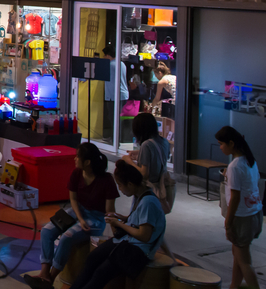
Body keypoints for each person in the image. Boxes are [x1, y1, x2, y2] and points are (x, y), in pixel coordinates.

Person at [68, 160, 167, 289]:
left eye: (120, 185)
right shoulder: (141, 195)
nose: (120, 189)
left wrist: (119, 224)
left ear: (130, 184)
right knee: (92, 258)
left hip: (137, 250)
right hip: (127, 241)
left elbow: (144, 235)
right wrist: (122, 217)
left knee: (100, 273)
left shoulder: (148, 202)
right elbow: (141, 221)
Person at [34, 143, 119, 287]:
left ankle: (51, 278)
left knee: (67, 237)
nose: (75, 159)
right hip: (77, 211)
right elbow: (73, 199)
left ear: (87, 162)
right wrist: (79, 218)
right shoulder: (77, 173)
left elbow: (109, 211)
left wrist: (116, 232)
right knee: (47, 231)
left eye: (77, 156)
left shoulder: (106, 180)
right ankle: (44, 272)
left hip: (96, 218)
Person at [216, 126, 263, 289]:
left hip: (242, 217)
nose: (220, 147)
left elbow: (235, 198)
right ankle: (233, 286)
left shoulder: (234, 166)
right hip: (255, 213)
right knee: (237, 254)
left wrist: (228, 222)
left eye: (221, 144)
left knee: (244, 261)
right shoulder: (250, 161)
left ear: (231, 143)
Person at [125, 112, 172, 185]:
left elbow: (144, 174)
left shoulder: (146, 145)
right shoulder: (164, 141)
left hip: (151, 187)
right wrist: (139, 153)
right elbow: (159, 156)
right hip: (163, 185)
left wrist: (129, 162)